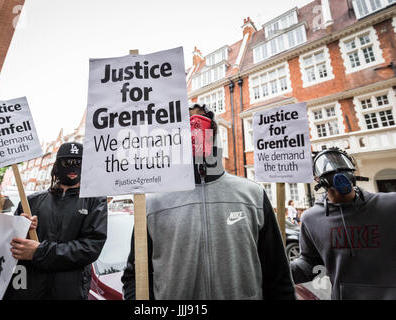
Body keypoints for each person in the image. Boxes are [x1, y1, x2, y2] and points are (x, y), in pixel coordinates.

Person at [121, 103, 295, 300]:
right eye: (187, 124)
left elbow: (278, 277)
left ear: (214, 133)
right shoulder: (152, 204)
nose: (195, 129)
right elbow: (135, 277)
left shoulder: (252, 195)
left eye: (202, 121)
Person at [3, 142, 108, 300]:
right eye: (67, 163)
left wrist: (39, 252)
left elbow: (91, 247)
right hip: (29, 290)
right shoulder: (32, 202)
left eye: (79, 163)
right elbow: (11, 244)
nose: (73, 169)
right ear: (57, 165)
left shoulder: (95, 201)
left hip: (68, 291)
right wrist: (21, 228)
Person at [291, 147, 396, 299]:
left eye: (340, 161)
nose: (335, 168)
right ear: (317, 179)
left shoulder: (390, 205)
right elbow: (309, 263)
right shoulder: (310, 218)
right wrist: (278, 267)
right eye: (326, 164)